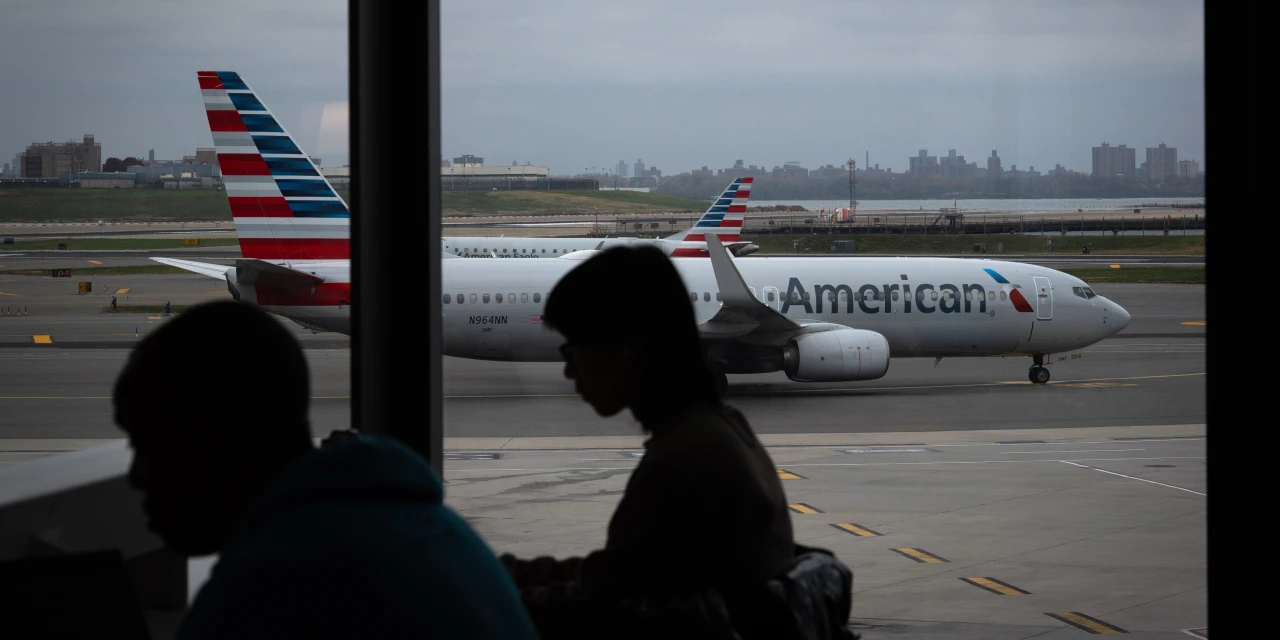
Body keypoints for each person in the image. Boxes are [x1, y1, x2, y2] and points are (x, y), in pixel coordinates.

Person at [112, 301, 537, 639]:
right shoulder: (419, 524)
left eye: (150, 445)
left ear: (213, 438)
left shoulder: (277, 581)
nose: (136, 477)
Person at [499, 246, 849, 639]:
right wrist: (497, 572)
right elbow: (618, 573)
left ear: (627, 348)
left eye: (574, 348)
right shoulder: (717, 430)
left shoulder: (683, 465)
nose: (567, 368)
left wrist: (486, 592)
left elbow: (598, 602)